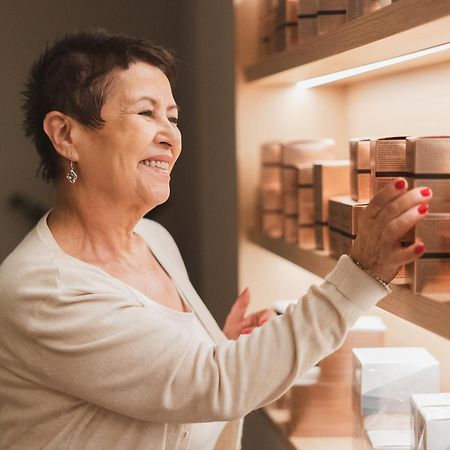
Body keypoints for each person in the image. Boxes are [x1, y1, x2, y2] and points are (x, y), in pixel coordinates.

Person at [0, 30, 432, 450]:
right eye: (146, 113)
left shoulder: (152, 239)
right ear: (65, 135)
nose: (170, 134)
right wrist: (360, 275)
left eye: (173, 117)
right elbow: (217, 385)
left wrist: (224, 351)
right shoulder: (42, 291)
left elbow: (194, 387)